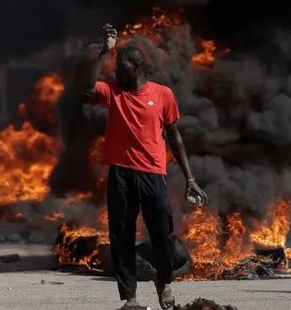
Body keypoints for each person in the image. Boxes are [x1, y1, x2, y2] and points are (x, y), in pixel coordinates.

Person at [82, 24, 208, 310]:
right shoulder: (113, 92)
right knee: (121, 234)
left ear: (137, 69)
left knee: (162, 233)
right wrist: (105, 51)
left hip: (153, 174)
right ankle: (130, 298)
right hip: (121, 174)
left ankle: (165, 283)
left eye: (122, 69)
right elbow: (87, 87)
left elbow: (175, 136)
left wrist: (190, 178)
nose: (117, 73)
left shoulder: (163, 95)